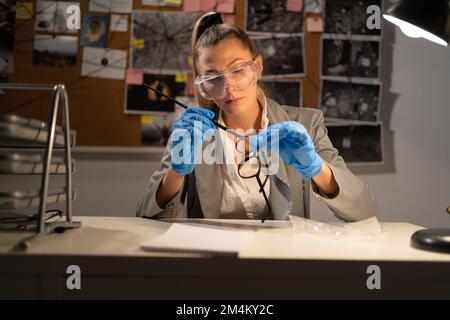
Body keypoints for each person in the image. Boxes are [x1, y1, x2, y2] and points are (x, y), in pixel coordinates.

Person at [136, 12, 376, 222]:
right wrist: (176, 173)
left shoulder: (306, 124)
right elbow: (145, 217)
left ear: (258, 67)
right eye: (213, 78)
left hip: (283, 263)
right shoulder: (191, 131)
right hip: (213, 265)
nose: (229, 88)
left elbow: (363, 210)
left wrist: (316, 168)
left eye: (238, 70)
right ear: (201, 84)